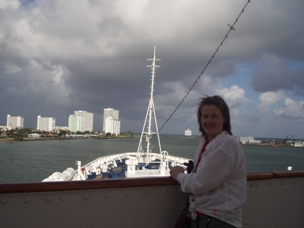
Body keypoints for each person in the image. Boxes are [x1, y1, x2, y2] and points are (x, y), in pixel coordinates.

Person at [170, 95, 246, 228]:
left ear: (225, 118)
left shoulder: (225, 144)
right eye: (205, 116)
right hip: (202, 217)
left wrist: (178, 175)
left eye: (214, 116)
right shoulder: (206, 143)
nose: (209, 120)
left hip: (218, 220)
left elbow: (200, 184)